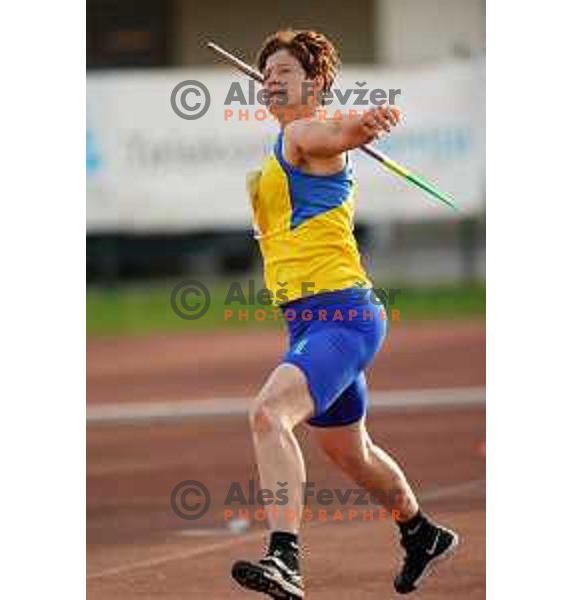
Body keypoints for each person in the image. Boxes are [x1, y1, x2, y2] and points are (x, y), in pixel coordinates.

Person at [231, 30, 458, 599]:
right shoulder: (291, 141)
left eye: (285, 72)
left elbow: (339, 130)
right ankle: (420, 531)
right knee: (347, 451)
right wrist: (354, 128)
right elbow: (335, 134)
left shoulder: (307, 133)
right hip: (313, 321)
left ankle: (284, 558)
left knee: (268, 415)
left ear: (316, 85)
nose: (271, 80)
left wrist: (364, 123)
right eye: (268, 73)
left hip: (340, 316)